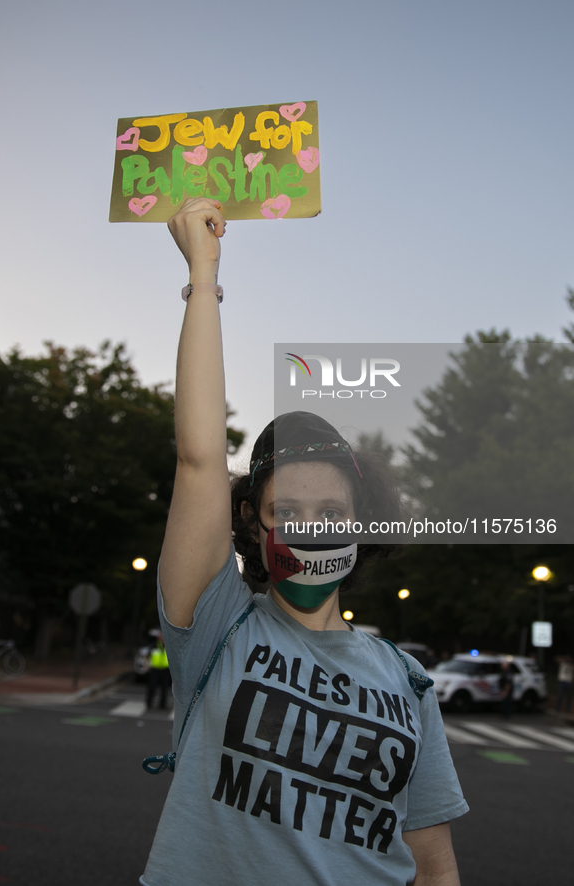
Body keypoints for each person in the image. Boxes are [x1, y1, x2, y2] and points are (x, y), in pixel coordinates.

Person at [140, 198, 468, 886]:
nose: (309, 526)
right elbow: (199, 458)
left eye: (329, 509)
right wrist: (204, 276)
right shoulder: (217, 623)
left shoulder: (406, 680)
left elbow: (434, 867)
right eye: (283, 508)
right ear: (253, 528)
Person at [146, 630, 171, 710]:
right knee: (152, 687)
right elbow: (148, 656)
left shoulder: (168, 646)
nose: (162, 638)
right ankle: (149, 702)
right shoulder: (153, 645)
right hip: (155, 669)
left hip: (165, 670)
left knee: (164, 688)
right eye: (160, 636)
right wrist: (147, 666)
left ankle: (163, 704)